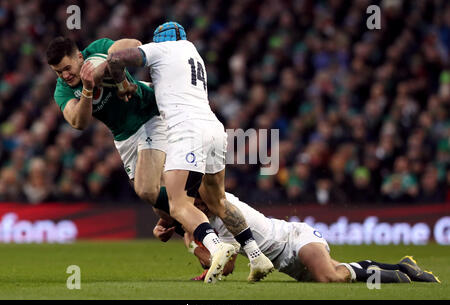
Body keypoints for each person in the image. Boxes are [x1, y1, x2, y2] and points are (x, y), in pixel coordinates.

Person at [107, 22, 274, 283]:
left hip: (186, 131)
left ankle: (217, 247)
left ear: (159, 41)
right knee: (218, 201)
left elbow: (116, 58)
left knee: (178, 203)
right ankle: (257, 256)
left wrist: (120, 85)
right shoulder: (193, 52)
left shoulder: (162, 49)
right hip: (214, 129)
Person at [154, 192, 441, 284]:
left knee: (331, 278)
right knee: (344, 274)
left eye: (198, 204)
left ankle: (401, 276)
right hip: (283, 263)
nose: (197, 207)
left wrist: (188, 238)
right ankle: (400, 266)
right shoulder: (206, 218)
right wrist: (181, 229)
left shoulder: (225, 210)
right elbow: (216, 264)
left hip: (294, 238)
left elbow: (225, 267)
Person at [46, 37, 171, 224]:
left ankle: (200, 216)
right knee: (162, 210)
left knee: (147, 188)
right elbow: (78, 122)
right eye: (58, 72)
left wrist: (103, 69)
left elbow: (135, 45)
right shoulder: (63, 91)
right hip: (124, 136)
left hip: (148, 112)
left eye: (67, 69)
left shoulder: (99, 48)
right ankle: (196, 221)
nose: (64, 76)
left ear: (79, 57)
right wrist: (88, 89)